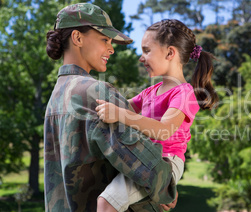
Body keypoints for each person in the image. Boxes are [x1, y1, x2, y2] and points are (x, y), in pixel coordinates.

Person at [44, 3, 177, 211]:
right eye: (104, 39)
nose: (111, 48)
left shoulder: (56, 98)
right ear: (77, 38)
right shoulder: (95, 92)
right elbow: (142, 161)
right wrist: (167, 184)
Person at [95, 19, 219, 211]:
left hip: (166, 161)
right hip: (146, 157)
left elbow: (163, 131)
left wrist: (119, 114)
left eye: (147, 50)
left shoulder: (184, 93)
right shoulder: (150, 92)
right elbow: (122, 106)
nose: (141, 58)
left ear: (170, 53)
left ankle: (161, 187)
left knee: (106, 203)